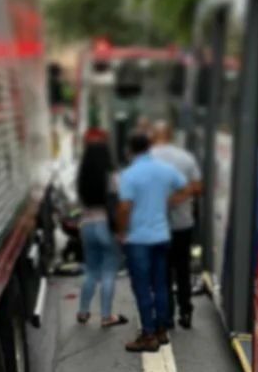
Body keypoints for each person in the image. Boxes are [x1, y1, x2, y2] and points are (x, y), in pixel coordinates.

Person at [116, 132, 190, 352]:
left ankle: (148, 335)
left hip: (138, 239)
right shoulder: (164, 170)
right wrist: (169, 201)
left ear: (130, 150)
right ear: (149, 147)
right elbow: (187, 188)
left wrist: (120, 231)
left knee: (142, 288)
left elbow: (124, 207)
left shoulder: (129, 174)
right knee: (160, 285)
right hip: (161, 236)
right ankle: (161, 330)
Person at [151, 120, 203, 329]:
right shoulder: (186, 157)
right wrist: (179, 197)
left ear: (154, 136)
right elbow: (199, 186)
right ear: (171, 135)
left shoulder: (149, 158)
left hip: (157, 224)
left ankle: (167, 315)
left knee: (162, 271)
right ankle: (186, 312)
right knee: (182, 269)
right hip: (183, 223)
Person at [76, 138, 128, 328]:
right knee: (108, 272)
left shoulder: (83, 178)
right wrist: (121, 230)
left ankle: (83, 311)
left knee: (90, 271)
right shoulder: (113, 177)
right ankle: (106, 316)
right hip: (106, 225)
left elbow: (79, 203)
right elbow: (119, 202)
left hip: (87, 225)